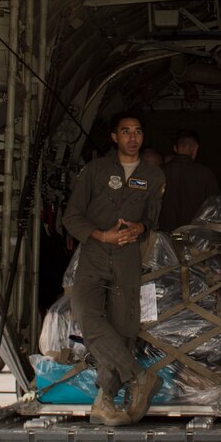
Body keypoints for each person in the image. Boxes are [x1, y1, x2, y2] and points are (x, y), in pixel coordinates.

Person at [63, 111, 165, 424]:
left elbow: (152, 220)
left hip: (127, 257)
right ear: (114, 137)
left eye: (137, 132)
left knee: (123, 330)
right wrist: (100, 234)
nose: (132, 138)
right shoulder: (95, 171)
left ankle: (104, 400)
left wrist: (140, 229)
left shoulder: (154, 177)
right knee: (87, 315)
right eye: (126, 131)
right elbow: (71, 216)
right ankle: (139, 376)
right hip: (94, 253)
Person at [159, 130, 220, 232]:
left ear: (175, 148)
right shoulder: (205, 174)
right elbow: (215, 208)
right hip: (195, 237)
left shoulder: (159, 172)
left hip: (165, 237)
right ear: (195, 149)